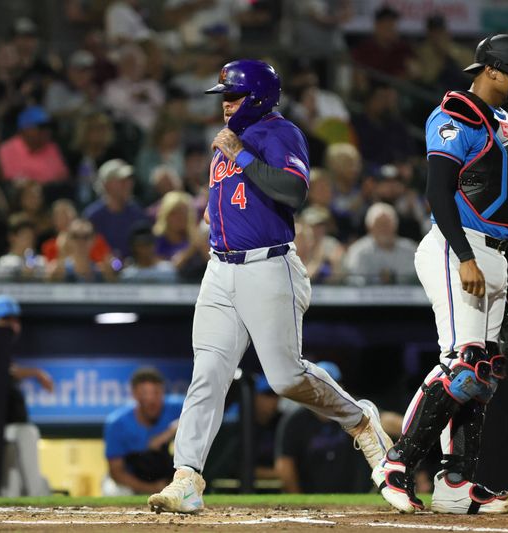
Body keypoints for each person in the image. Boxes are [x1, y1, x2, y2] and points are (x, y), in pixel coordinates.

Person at [147, 59, 393, 514]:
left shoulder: (279, 133)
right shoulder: (227, 139)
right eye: (223, 96)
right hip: (220, 269)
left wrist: (240, 154)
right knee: (208, 373)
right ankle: (187, 476)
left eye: (233, 96)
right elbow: (227, 200)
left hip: (268, 266)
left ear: (258, 96)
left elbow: (294, 192)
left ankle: (360, 421)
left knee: (285, 378)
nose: (225, 105)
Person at [373, 33, 508, 514]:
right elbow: (437, 192)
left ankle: (456, 484)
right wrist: (464, 256)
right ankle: (396, 465)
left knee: (485, 373)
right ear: (491, 70)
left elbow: (506, 220)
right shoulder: (454, 115)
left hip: (494, 251)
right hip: (457, 247)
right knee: (465, 364)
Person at [0, 295, 52, 497]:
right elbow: (3, 371)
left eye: (15, 319)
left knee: (11, 487)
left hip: (8, 429)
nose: (12, 325)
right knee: (27, 435)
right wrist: (37, 373)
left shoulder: (4, 350)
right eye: (6, 319)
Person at [275, 362, 372, 493]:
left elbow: (383, 421)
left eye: (330, 387)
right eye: (319, 387)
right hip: (309, 497)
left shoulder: (352, 411)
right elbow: (285, 464)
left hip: (351, 495)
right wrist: (299, 500)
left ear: (340, 388)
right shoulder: (295, 420)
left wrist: (408, 433)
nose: (324, 393)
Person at [104, 367, 184, 495]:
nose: (151, 399)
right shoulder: (117, 423)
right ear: (134, 394)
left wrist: (172, 429)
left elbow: (203, 411)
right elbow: (117, 472)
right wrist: (153, 489)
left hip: (168, 479)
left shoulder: (178, 407)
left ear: (163, 392)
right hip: (132, 481)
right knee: (112, 492)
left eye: (156, 392)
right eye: (144, 393)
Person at [83, 158, 149, 258]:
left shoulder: (137, 212)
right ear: (106, 185)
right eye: (122, 181)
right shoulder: (93, 216)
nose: (128, 184)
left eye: (129, 180)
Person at [343, 202, 417, 285]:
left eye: (387, 224)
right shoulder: (358, 251)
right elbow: (354, 283)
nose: (384, 229)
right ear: (369, 227)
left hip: (407, 296)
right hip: (368, 297)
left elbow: (418, 280)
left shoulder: (411, 250)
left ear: (396, 226)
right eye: (379, 224)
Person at [0, 106, 69, 184]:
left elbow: (64, 177)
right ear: (25, 128)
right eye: (41, 127)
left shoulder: (52, 146)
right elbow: (15, 182)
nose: (46, 131)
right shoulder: (8, 149)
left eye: (48, 127)